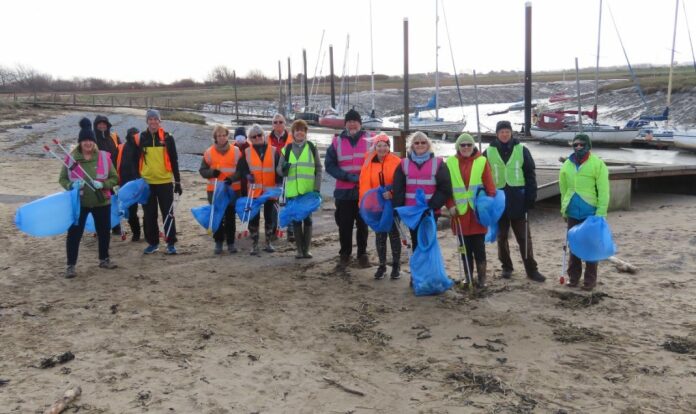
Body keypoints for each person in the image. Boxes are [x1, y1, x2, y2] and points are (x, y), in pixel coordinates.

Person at [483, 120, 545, 282]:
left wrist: (531, 197)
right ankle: (506, 267)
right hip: (498, 202)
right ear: (496, 134)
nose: (504, 134)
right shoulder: (488, 152)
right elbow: (483, 177)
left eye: (507, 131)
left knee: (524, 237)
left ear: (511, 133)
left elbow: (530, 175)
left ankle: (531, 270)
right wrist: (485, 200)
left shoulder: (522, 150)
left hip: (519, 199)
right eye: (501, 131)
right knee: (501, 237)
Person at [59, 118, 119, 278]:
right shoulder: (71, 159)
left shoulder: (104, 157)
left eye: (90, 140)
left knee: (104, 232)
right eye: (84, 140)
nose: (88, 143)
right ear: (80, 142)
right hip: (79, 204)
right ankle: (71, 266)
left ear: (94, 142)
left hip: (102, 202)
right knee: (74, 234)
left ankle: (104, 259)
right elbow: (63, 179)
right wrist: (72, 186)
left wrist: (103, 184)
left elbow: (115, 178)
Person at [559, 133, 610, 291]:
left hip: (591, 212)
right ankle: (573, 278)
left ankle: (589, 281)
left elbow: (604, 190)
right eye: (576, 145)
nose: (579, 147)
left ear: (588, 146)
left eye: (582, 145)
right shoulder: (567, 164)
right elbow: (563, 188)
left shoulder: (598, 164)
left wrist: (601, 212)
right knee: (573, 246)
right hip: (573, 211)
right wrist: (564, 210)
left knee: (590, 247)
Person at [445, 133, 496, 288]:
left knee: (479, 249)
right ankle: (468, 277)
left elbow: (490, 188)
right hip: (459, 214)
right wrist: (450, 205)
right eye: (463, 145)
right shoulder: (450, 162)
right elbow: (446, 188)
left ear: (473, 146)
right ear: (458, 147)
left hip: (477, 215)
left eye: (469, 145)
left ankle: (482, 279)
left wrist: (487, 205)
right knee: (464, 249)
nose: (466, 147)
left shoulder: (482, 161)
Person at [324, 108, 371, 268]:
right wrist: (345, 176)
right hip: (343, 190)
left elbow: (379, 161)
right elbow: (329, 164)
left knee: (363, 224)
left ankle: (362, 254)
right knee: (344, 224)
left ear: (360, 123)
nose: (352, 124)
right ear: (345, 124)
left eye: (355, 121)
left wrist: (365, 178)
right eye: (349, 121)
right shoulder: (337, 142)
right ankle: (345, 254)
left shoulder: (370, 140)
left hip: (363, 190)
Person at [392, 131, 451, 250]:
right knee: (416, 242)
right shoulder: (404, 164)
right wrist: (397, 209)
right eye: (416, 143)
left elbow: (445, 188)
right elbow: (398, 188)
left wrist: (432, 206)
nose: (420, 145)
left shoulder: (438, 163)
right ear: (412, 145)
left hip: (430, 211)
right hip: (412, 212)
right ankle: (418, 268)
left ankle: (428, 268)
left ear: (428, 144)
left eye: (423, 142)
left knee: (428, 242)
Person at [136, 109, 182, 255]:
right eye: (150, 119)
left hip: (165, 182)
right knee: (149, 215)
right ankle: (153, 243)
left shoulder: (168, 138)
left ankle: (170, 243)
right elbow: (135, 160)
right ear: (147, 121)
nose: (153, 121)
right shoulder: (141, 138)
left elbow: (174, 160)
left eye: (156, 119)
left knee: (168, 214)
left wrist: (178, 181)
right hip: (147, 183)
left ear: (160, 121)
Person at [276, 119, 322, 259]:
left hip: (308, 192)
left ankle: (306, 249)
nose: (300, 132)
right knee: (296, 220)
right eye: (297, 130)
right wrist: (283, 169)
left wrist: (317, 189)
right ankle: (299, 251)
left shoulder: (312, 147)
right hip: (292, 192)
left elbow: (319, 169)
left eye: (303, 130)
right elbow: (278, 170)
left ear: (306, 133)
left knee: (307, 219)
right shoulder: (287, 149)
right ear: (293, 133)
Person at [359, 134, 402, 279]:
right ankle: (382, 266)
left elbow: (401, 183)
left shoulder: (397, 161)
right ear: (375, 147)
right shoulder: (369, 162)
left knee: (394, 234)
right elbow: (365, 184)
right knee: (380, 234)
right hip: (376, 205)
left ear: (389, 147)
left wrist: (392, 193)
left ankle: (396, 266)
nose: (382, 148)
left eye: (385, 145)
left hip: (392, 203)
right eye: (379, 145)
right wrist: (365, 204)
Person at [235, 124, 281, 255]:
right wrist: (247, 175)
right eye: (253, 136)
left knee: (269, 217)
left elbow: (278, 168)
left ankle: (268, 242)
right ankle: (254, 244)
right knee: (253, 217)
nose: (257, 138)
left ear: (264, 136)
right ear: (249, 139)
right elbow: (241, 168)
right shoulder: (247, 152)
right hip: (254, 190)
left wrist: (278, 181)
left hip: (270, 191)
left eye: (259, 135)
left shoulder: (273, 150)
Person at [199, 125, 242, 254]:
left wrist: (232, 178)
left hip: (232, 189)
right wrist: (212, 172)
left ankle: (231, 243)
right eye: (219, 136)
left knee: (230, 217)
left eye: (224, 135)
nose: (222, 138)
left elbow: (241, 170)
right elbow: (202, 171)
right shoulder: (209, 152)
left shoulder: (236, 151)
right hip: (215, 190)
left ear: (227, 136)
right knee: (217, 216)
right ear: (215, 137)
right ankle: (218, 242)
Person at [268, 113, 295, 242]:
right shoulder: (267, 138)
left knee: (289, 203)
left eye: (280, 122)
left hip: (289, 175)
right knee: (274, 204)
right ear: (272, 124)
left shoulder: (292, 138)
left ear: (285, 124)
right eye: (275, 122)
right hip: (273, 176)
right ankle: (273, 229)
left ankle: (291, 231)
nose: (278, 124)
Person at [94, 115, 122, 235]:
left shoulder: (114, 137)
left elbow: (121, 151)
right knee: (100, 203)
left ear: (108, 125)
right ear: (95, 125)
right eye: (99, 124)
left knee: (114, 201)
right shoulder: (93, 138)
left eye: (104, 123)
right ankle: (100, 228)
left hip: (113, 174)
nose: (102, 126)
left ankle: (116, 226)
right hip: (98, 176)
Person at [116, 127, 144, 241]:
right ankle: (136, 233)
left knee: (148, 211)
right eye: (132, 134)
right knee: (131, 212)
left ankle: (149, 233)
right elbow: (115, 164)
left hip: (142, 183)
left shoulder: (142, 148)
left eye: (136, 134)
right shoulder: (121, 147)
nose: (134, 136)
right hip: (126, 185)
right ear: (128, 135)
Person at [233, 126, 250, 196]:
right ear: (235, 138)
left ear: (245, 138)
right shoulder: (231, 149)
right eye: (237, 137)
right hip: (235, 182)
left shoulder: (250, 148)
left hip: (247, 181)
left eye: (242, 137)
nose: (240, 139)